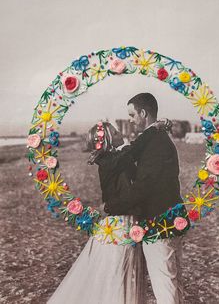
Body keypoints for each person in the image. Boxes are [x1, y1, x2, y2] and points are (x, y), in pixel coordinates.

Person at [47, 122, 147, 304]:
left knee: (124, 269)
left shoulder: (114, 159)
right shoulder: (108, 161)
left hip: (126, 217)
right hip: (119, 220)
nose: (120, 134)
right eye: (116, 132)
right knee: (117, 270)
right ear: (108, 139)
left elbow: (134, 173)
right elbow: (128, 157)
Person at [106, 92, 187, 304]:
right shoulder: (157, 139)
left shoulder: (156, 142)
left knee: (165, 283)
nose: (131, 120)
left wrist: (113, 206)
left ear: (143, 113)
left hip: (159, 221)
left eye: (132, 115)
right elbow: (147, 175)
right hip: (170, 217)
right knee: (173, 280)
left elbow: (145, 186)